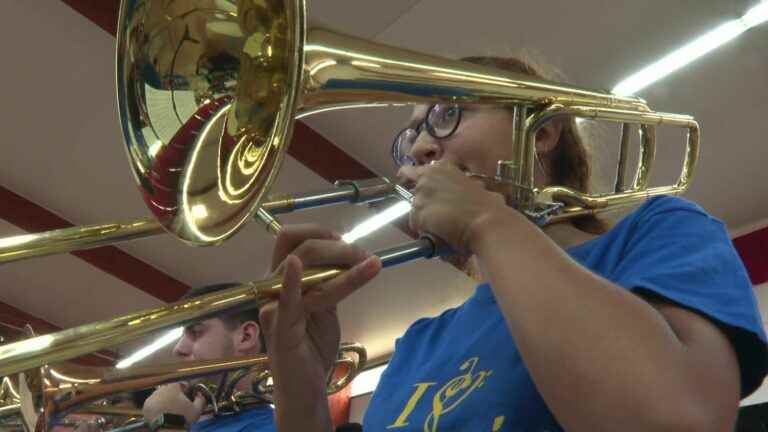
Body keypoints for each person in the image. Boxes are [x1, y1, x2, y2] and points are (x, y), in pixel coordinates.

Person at [259, 55, 768, 432]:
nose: (415, 149)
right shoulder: (420, 341)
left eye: (445, 114)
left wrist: (489, 219)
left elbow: (676, 420)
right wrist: (301, 386)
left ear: (541, 130)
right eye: (408, 138)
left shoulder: (660, 231)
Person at [142, 283, 276, 432]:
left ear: (246, 337)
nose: (178, 349)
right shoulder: (191, 420)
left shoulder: (272, 427)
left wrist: (169, 424)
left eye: (196, 331)